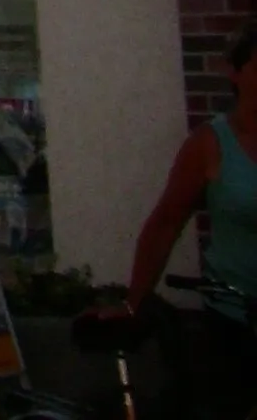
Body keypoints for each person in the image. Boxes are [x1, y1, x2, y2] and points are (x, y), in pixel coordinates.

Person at [98, 26, 257, 420]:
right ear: (235, 73)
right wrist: (135, 301)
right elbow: (167, 222)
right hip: (238, 319)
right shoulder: (210, 144)